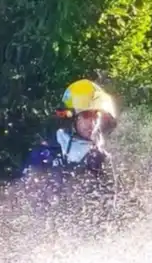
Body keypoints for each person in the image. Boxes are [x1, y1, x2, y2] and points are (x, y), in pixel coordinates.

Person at [21, 79, 121, 208]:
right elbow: (26, 197)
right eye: (86, 115)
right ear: (70, 117)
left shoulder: (101, 158)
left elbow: (112, 204)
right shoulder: (44, 153)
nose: (93, 122)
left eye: (97, 115)